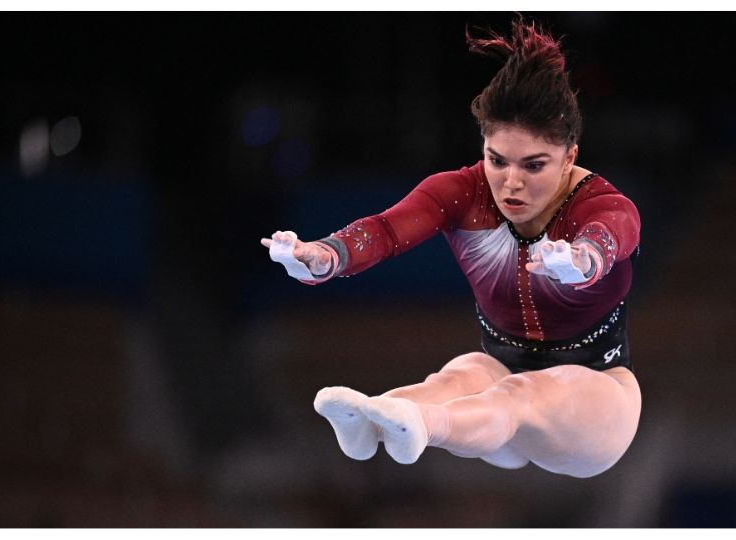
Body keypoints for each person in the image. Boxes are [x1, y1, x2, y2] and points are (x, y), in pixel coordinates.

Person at [261, 18, 641, 479]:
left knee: (516, 396)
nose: (511, 182)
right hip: (497, 380)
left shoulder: (601, 205)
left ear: (570, 157)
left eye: (534, 165)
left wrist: (585, 260)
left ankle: (420, 424)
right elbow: (384, 230)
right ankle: (373, 420)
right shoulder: (461, 193)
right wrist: (326, 255)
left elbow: (613, 233)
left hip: (595, 402)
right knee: (458, 376)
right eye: (496, 160)